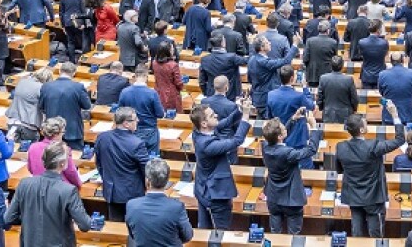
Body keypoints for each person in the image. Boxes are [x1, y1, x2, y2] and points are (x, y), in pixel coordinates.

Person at [336, 101, 405, 238]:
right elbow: (400, 140)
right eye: (365, 123)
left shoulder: (340, 147)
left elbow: (339, 170)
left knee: (357, 234)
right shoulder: (373, 146)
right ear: (361, 130)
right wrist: (395, 115)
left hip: (354, 196)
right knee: (376, 235)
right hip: (373, 197)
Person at [5, 142, 92, 247]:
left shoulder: (24, 184)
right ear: (62, 164)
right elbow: (85, 225)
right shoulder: (68, 191)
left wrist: (29, 218)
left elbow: (8, 218)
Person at [191, 99, 252, 230]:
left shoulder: (199, 132)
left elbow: (227, 122)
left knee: (205, 228)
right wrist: (246, 117)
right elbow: (237, 140)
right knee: (221, 233)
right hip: (215, 194)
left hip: (203, 188)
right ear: (204, 123)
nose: (217, 116)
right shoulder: (207, 145)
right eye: (212, 115)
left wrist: (240, 109)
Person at [262, 113, 322, 234]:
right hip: (291, 199)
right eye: (283, 127)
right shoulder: (288, 153)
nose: (285, 127)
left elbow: (276, 136)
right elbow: (311, 150)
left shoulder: (265, 147)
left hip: (273, 197)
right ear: (279, 136)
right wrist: (314, 127)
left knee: (275, 234)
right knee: (293, 235)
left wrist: (292, 120)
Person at [95, 106, 151, 221]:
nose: (138, 121)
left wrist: (106, 178)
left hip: (111, 192)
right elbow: (147, 170)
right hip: (133, 194)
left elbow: (99, 164)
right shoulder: (137, 144)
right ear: (126, 123)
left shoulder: (102, 137)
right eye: (135, 119)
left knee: (115, 228)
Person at [125, 158, 193, 247]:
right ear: (166, 182)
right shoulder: (177, 207)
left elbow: (133, 235)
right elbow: (187, 236)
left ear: (147, 181)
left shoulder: (131, 205)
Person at [266, 66, 316, 169]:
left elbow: (269, 117)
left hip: (277, 135)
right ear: (292, 78)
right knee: (304, 167)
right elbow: (311, 106)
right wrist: (305, 88)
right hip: (297, 137)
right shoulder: (299, 96)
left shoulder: (271, 95)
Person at [37, 61, 92, 150]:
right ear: (74, 73)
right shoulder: (78, 87)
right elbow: (87, 106)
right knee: (74, 158)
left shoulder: (46, 86)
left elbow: (41, 107)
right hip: (72, 130)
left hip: (52, 130)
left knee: (52, 158)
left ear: (59, 71)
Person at [26, 117, 82, 189]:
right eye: (63, 132)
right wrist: (79, 184)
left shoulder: (33, 147)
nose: (63, 135)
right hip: (60, 188)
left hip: (38, 187)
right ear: (56, 134)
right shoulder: (63, 149)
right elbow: (71, 172)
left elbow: (30, 169)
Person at [378, 51, 412, 124]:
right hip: (408, 113)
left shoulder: (383, 74)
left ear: (391, 61)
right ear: (403, 60)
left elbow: (381, 92)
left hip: (389, 114)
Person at [317, 55, 359, 124]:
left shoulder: (323, 78)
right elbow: (354, 99)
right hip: (345, 114)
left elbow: (319, 97)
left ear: (331, 66)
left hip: (328, 113)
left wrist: (322, 108)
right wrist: (354, 109)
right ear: (342, 66)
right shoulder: (348, 79)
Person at [151, 42, 185, 112]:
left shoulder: (154, 63)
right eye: (172, 49)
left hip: (158, 92)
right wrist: (182, 87)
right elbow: (178, 83)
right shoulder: (173, 65)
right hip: (171, 95)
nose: (173, 51)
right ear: (168, 51)